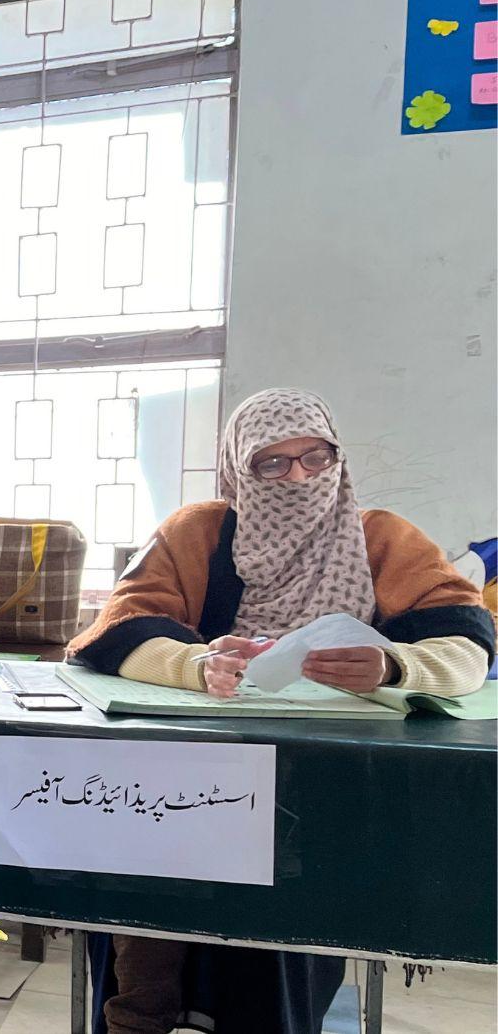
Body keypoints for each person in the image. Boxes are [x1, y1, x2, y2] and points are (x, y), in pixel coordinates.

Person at [68, 387, 495, 1034]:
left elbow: (468, 643)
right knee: (147, 921)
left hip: (320, 782)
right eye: (272, 463)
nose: (299, 477)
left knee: (275, 954)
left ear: (338, 459)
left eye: (315, 457)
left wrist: (393, 666)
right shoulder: (195, 533)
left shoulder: (382, 538)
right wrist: (199, 665)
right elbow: (114, 631)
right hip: (190, 776)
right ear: (239, 470)